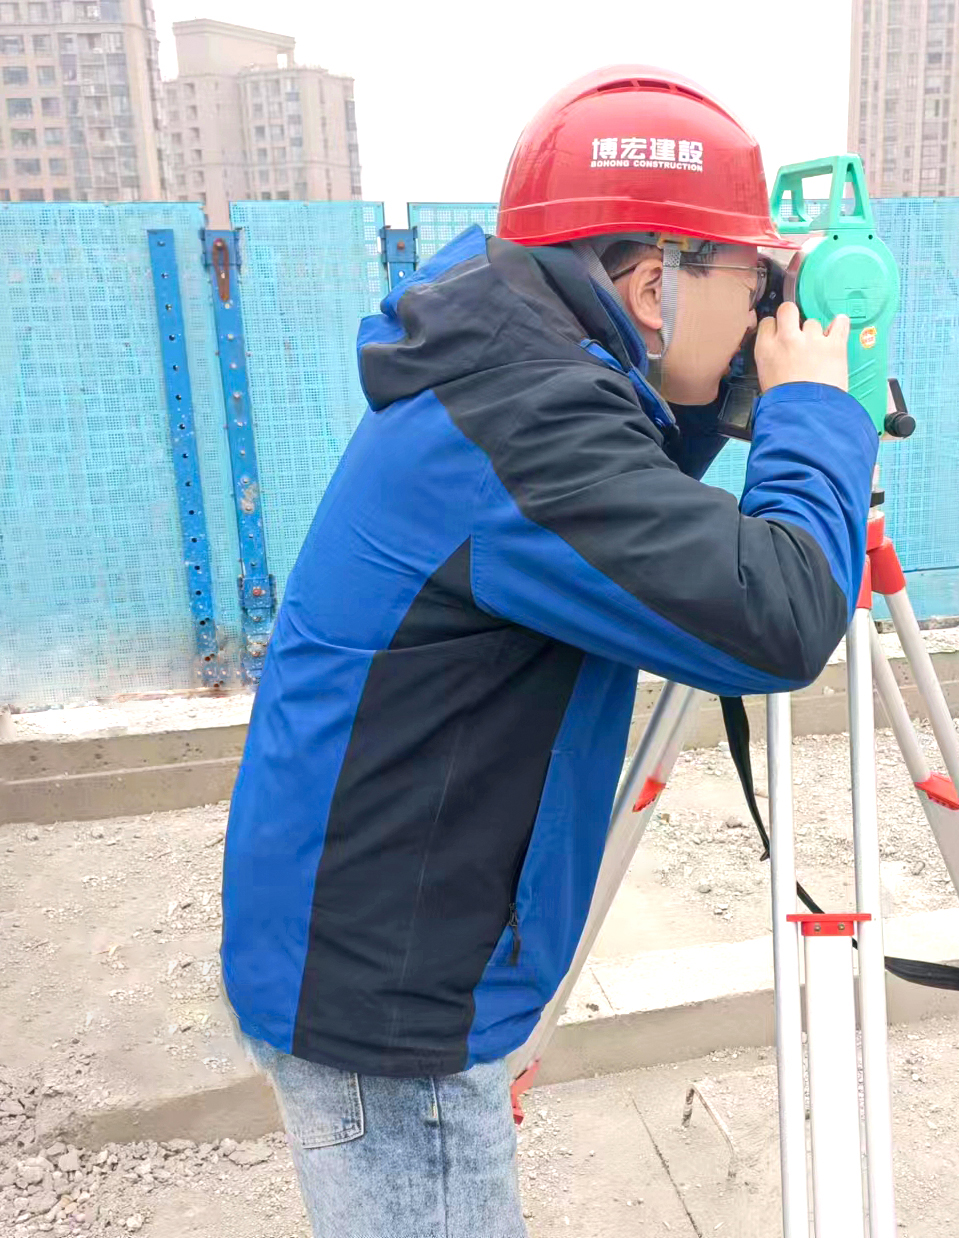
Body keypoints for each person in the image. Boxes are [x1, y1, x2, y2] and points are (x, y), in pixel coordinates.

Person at [220, 64, 879, 1237]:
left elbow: (620, 494)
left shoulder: (509, 368)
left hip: (381, 940)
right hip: (392, 1008)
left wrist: (729, 388)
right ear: (650, 285)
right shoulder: (526, 419)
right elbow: (779, 616)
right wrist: (816, 413)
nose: (764, 309)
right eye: (750, 278)